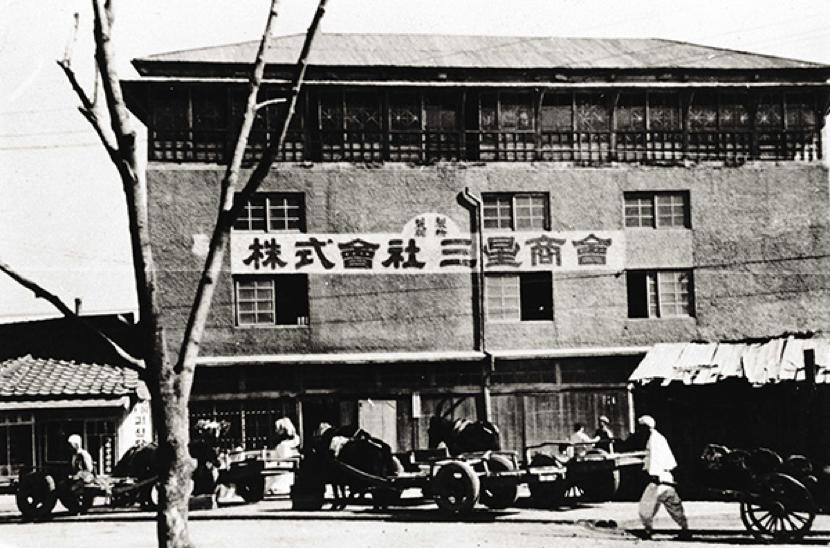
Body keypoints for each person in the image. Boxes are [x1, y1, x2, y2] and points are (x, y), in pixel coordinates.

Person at [637, 415, 691, 541]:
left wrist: (654, 474)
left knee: (645, 508)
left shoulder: (653, 440)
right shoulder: (659, 438)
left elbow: (655, 459)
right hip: (667, 477)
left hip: (658, 479)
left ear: (645, 428)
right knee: (674, 506)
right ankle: (685, 529)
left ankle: (648, 531)